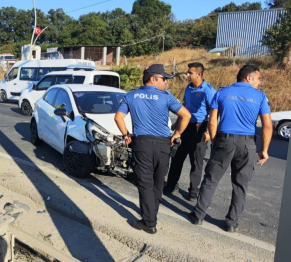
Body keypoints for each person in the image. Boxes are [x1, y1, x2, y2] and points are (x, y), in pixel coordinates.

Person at [189, 65, 272, 232]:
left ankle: (198, 215)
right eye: (259, 78)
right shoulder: (260, 97)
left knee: (211, 179)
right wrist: (264, 150)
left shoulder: (222, 92)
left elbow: (212, 122)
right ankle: (231, 223)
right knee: (241, 185)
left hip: (224, 140)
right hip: (247, 144)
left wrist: (214, 141)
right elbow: (267, 126)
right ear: (249, 78)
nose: (260, 82)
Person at [115, 64, 191, 234]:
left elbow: (118, 117)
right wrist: (177, 134)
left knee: (145, 183)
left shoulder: (132, 95)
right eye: (164, 79)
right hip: (163, 144)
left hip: (142, 144)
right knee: (157, 182)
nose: (166, 82)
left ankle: (149, 222)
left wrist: (127, 134)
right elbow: (186, 115)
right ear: (153, 79)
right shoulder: (166, 97)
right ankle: (152, 215)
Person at [164, 62, 216, 201]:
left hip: (200, 128)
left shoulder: (208, 90)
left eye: (190, 73)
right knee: (177, 157)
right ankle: (171, 185)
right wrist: (177, 122)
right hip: (185, 126)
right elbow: (185, 106)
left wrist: (209, 132)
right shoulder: (188, 88)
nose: (187, 75)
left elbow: (215, 112)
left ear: (198, 74)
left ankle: (193, 192)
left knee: (196, 162)